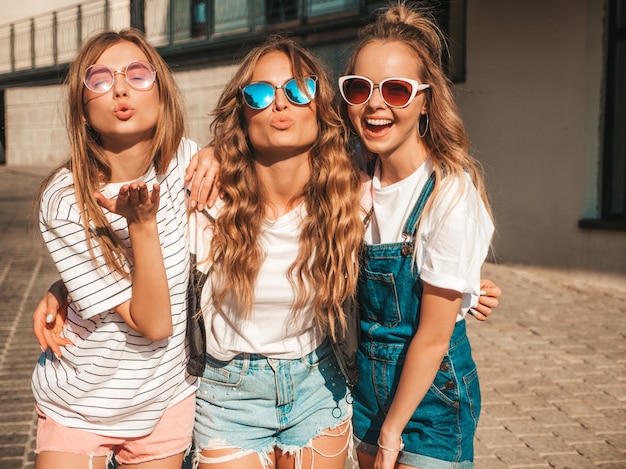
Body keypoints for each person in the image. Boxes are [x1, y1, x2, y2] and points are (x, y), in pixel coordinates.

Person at [187, 36, 364, 469]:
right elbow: (138, 251)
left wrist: (466, 288)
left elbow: (417, 204)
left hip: (318, 387)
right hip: (228, 396)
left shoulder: (350, 192)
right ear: (243, 113)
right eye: (261, 93)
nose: (280, 104)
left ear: (320, 106)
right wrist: (64, 289)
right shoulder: (209, 201)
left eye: (298, 89)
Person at [31, 29, 202, 469]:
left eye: (138, 74)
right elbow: (155, 323)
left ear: (162, 95)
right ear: (83, 110)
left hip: (163, 402)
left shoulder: (186, 162)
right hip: (79, 402)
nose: (121, 87)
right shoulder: (67, 198)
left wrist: (219, 152)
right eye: (101, 79)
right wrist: (140, 225)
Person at [337, 2, 494, 468]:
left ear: (425, 99)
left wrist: (391, 432)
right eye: (360, 88)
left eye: (397, 90)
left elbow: (432, 337)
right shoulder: (349, 177)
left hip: (433, 401)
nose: (376, 104)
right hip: (366, 389)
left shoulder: (449, 193)